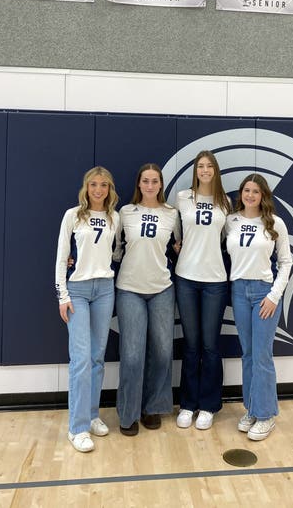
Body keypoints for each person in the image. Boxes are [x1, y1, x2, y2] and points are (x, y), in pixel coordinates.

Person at [55, 167, 119, 453]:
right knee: (80, 359)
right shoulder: (73, 215)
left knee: (96, 358)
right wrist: (62, 295)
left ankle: (92, 415)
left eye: (103, 185)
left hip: (105, 289)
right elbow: (60, 258)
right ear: (86, 187)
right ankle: (77, 427)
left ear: (109, 189)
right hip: (77, 292)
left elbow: (115, 252)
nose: (98, 190)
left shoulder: (113, 217)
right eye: (93, 184)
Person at [225, 173, 293, 441]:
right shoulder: (230, 221)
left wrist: (274, 295)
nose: (250, 195)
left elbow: (286, 262)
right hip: (239, 290)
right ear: (240, 193)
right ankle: (252, 408)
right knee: (248, 354)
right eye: (246, 190)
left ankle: (266, 415)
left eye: (255, 191)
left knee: (262, 354)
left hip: (264, 293)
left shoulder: (275, 223)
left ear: (263, 195)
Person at [114, 163, 180, 435]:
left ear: (161, 184)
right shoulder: (126, 213)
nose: (150, 185)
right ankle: (128, 412)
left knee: (163, 352)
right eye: (145, 181)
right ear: (138, 184)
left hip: (162, 289)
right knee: (131, 355)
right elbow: (115, 249)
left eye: (155, 181)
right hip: (130, 288)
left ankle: (152, 408)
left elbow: (179, 247)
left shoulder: (171, 214)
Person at [172, 151, 233, 431]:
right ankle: (187, 404)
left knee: (209, 346)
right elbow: (177, 236)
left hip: (215, 281)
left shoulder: (225, 202)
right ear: (195, 170)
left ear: (216, 171)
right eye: (201, 166)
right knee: (191, 345)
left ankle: (208, 405)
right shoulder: (183, 198)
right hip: (186, 277)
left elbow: (228, 240)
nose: (205, 170)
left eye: (209, 166)